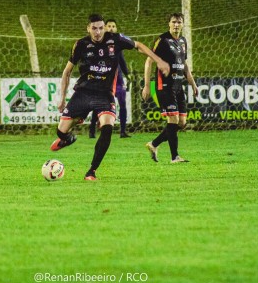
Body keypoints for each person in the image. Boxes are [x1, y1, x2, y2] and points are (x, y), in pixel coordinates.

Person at [51, 13, 170, 181]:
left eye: (101, 28)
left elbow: (139, 45)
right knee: (60, 131)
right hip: (83, 92)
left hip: (105, 94)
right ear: (88, 29)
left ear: (104, 27)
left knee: (107, 128)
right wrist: (62, 98)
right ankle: (67, 138)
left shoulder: (115, 39)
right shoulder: (80, 44)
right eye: (94, 28)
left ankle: (91, 171)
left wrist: (158, 60)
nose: (98, 32)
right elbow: (67, 72)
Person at [142, 13, 199, 164]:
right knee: (172, 120)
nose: (176, 25)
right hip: (164, 86)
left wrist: (193, 83)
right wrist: (147, 85)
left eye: (179, 22)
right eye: (173, 22)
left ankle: (154, 144)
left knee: (181, 123)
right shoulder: (162, 40)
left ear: (183, 24)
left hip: (178, 86)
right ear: (169, 24)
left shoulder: (182, 41)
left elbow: (184, 65)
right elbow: (149, 61)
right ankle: (175, 157)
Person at [89, 18, 131, 139]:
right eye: (109, 26)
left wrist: (127, 74)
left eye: (113, 26)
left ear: (116, 28)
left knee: (122, 104)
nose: (111, 28)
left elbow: (121, 60)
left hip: (118, 80)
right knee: (98, 105)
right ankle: (92, 130)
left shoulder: (118, 43)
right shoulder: (99, 43)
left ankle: (123, 131)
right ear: (105, 28)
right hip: (104, 81)